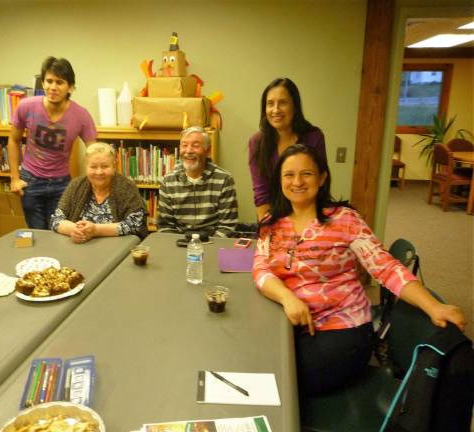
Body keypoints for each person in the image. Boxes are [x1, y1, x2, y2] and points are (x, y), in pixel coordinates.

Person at [252, 144, 467, 397]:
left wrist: (433, 306)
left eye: (307, 174)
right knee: (256, 364)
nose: (297, 181)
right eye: (289, 174)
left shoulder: (344, 220)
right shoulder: (271, 223)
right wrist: (287, 297)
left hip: (343, 329)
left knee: (278, 385)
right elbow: (261, 268)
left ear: (322, 178)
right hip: (290, 320)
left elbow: (385, 268)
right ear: (279, 180)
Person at [8, 56, 97, 229]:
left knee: (60, 233)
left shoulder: (81, 115)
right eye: (49, 81)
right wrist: (14, 178)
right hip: (30, 181)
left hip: (61, 184)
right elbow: (13, 140)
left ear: (70, 87)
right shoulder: (26, 107)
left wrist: (93, 184)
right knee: (38, 233)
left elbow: (94, 152)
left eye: (60, 82)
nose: (53, 87)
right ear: (43, 83)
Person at [249, 78, 327, 222]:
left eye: (283, 103)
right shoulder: (257, 142)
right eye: (270, 104)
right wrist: (266, 230)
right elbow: (261, 195)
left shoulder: (314, 137)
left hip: (310, 216)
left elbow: (320, 182)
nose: (276, 110)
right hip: (273, 217)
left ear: (295, 106)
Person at [50, 142, 148, 242]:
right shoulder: (76, 185)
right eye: (93, 167)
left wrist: (96, 230)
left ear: (114, 167)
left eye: (105, 166)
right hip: (81, 247)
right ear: (86, 168)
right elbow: (56, 219)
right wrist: (75, 230)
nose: (99, 172)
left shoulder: (126, 187)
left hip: (117, 248)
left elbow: (137, 223)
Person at [157, 126, 239, 237]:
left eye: (195, 146)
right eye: (184, 145)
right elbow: (165, 226)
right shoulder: (167, 182)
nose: (189, 151)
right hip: (179, 243)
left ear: (208, 151)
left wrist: (206, 246)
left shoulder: (224, 179)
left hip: (213, 243)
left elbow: (227, 226)